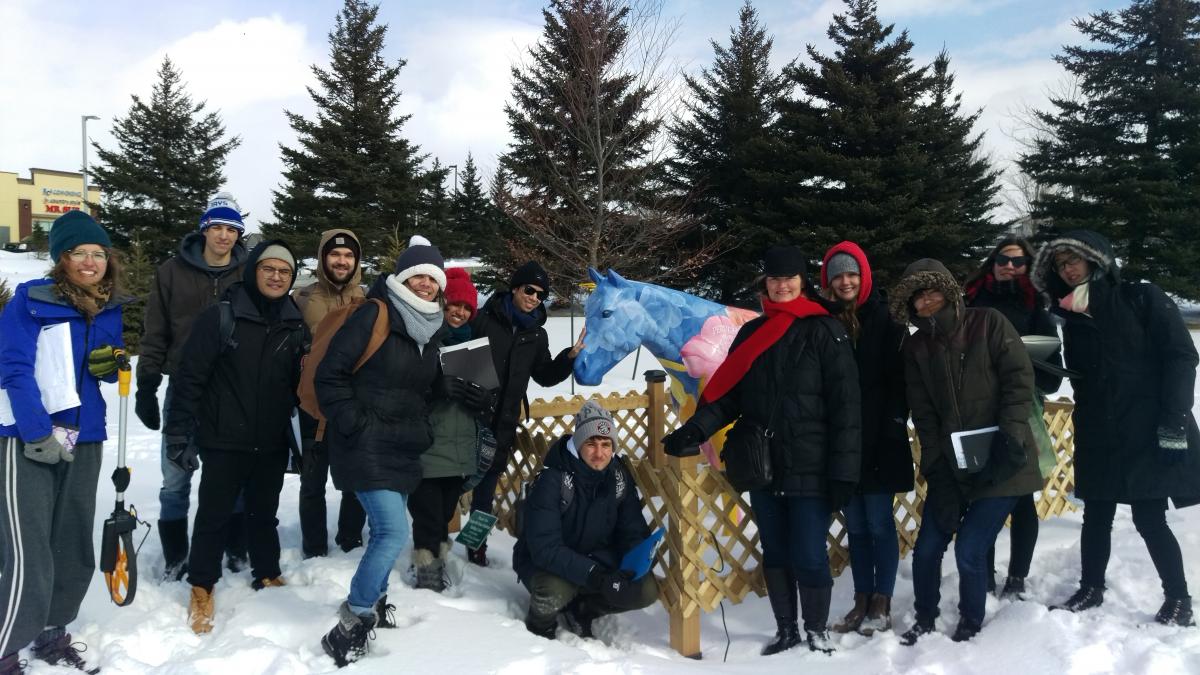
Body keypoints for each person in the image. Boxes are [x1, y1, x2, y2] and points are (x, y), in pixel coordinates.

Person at [663, 245, 861, 655]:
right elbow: (729, 394)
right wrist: (695, 429)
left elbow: (847, 407)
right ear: (765, 285)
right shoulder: (751, 333)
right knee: (775, 552)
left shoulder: (826, 331)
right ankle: (785, 629)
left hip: (811, 464)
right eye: (774, 278)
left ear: (802, 282)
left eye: (789, 278)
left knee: (808, 553)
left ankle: (817, 630)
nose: (782, 285)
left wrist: (844, 471)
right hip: (764, 465)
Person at [1032, 230, 1200, 626]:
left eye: (1074, 259)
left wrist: (1174, 418)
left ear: (1096, 259)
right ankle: (1091, 588)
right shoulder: (1070, 315)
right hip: (1099, 427)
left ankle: (1179, 599)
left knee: (1149, 516)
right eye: (1060, 264)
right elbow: (1083, 375)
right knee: (1097, 513)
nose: (1068, 269)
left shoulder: (1139, 297)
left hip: (1147, 425)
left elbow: (1180, 356)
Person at [0, 210, 129, 674]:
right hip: (27, 437)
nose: (91, 261)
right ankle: (5, 647)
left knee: (72, 542)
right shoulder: (29, 302)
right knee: (27, 548)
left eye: (99, 253)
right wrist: (36, 432)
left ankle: (52, 631)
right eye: (81, 253)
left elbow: (104, 369)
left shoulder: (108, 306)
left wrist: (109, 366)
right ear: (62, 258)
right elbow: (12, 369)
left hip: (85, 435)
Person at [890, 259, 1042, 645]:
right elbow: (923, 411)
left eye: (932, 290)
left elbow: (1018, 380)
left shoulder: (987, 322)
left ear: (949, 290)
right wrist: (936, 465)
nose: (926, 301)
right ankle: (925, 617)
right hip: (953, 465)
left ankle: (971, 624)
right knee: (926, 550)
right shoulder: (916, 345)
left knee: (970, 549)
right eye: (917, 296)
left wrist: (1008, 436)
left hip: (1003, 462)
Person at [163, 241, 309, 635]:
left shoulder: (295, 323)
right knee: (213, 515)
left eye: (284, 271)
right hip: (224, 438)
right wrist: (178, 432)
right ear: (253, 272)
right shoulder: (221, 317)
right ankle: (201, 584)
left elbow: (302, 386)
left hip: (272, 441)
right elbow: (188, 378)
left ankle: (266, 572)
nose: (276, 276)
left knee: (264, 513)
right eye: (269, 269)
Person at [316, 236, 448, 668]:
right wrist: (356, 422)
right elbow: (330, 376)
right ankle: (351, 622)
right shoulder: (375, 313)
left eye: (433, 277)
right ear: (404, 279)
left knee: (384, 531)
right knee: (393, 531)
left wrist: (435, 409)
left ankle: (377, 600)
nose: (427, 284)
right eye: (419, 276)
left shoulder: (430, 328)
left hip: (404, 442)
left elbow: (420, 389)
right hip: (367, 440)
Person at [135, 192, 251, 580]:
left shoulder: (247, 271)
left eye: (232, 229)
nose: (224, 236)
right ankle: (175, 555)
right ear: (204, 230)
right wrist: (147, 385)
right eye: (217, 227)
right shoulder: (172, 271)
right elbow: (155, 331)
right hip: (183, 388)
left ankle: (236, 547)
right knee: (175, 475)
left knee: (231, 473)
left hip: (232, 389)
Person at [819, 242, 911, 636]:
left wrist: (893, 420)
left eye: (851, 273)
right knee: (854, 525)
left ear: (864, 275)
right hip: (842, 441)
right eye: (837, 275)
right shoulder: (825, 321)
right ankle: (861, 599)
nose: (845, 281)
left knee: (878, 523)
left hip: (879, 438)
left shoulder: (888, 319)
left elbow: (900, 378)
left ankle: (882, 601)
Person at [963, 237, 1063, 599]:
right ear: (992, 261)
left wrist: (1016, 357)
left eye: (1019, 262)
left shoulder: (1036, 307)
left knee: (1021, 496)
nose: (1009, 266)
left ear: (1029, 267)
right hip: (976, 409)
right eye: (1003, 259)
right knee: (983, 492)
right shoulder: (971, 300)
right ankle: (984, 575)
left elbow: (1053, 376)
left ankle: (1017, 577)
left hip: (1021, 410)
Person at [466, 261, 584, 567]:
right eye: (529, 290)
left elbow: (543, 375)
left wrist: (569, 357)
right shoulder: (483, 320)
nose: (534, 297)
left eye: (540, 294)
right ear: (515, 288)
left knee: (485, 491)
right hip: (469, 416)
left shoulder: (536, 334)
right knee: (450, 481)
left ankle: (475, 547)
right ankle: (433, 541)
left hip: (503, 423)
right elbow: (458, 357)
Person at [513, 401, 659, 640]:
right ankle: (540, 627)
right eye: (591, 443)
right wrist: (594, 575)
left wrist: (628, 570)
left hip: (598, 560)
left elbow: (632, 529)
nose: (599, 453)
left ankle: (584, 610)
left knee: (646, 590)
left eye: (606, 444)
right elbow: (544, 548)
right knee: (554, 590)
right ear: (579, 443)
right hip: (549, 564)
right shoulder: (554, 480)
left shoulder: (618, 476)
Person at [407, 267, 497, 591]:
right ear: (442, 305)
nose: (459, 313)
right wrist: (434, 388)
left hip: (459, 446)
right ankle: (426, 570)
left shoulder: (475, 345)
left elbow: (490, 399)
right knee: (427, 512)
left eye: (466, 308)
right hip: (428, 443)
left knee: (444, 511)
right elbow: (403, 389)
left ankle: (437, 557)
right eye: (453, 306)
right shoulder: (422, 338)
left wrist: (485, 400)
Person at [293, 228, 368, 557]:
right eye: (335, 254)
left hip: (352, 404)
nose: (342, 260)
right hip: (313, 407)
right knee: (312, 482)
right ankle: (313, 548)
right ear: (324, 258)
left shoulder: (366, 300)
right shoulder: (303, 299)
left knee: (355, 479)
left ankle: (350, 540)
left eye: (349, 255)